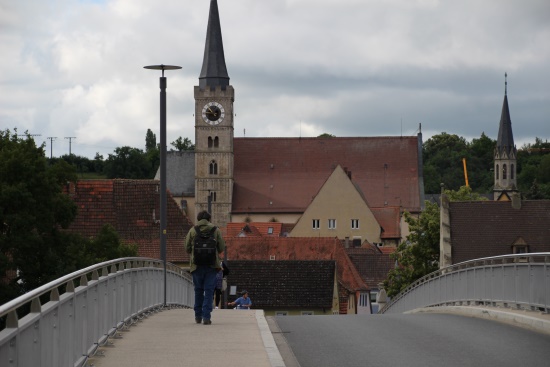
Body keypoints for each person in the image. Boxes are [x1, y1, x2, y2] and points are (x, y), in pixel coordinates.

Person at [185, 210, 225, 325]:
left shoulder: (193, 230)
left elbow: (187, 248)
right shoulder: (216, 230)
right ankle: (206, 317)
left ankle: (198, 316)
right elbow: (221, 247)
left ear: (198, 219)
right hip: (212, 266)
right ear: (209, 219)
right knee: (209, 291)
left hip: (196, 266)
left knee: (198, 290)